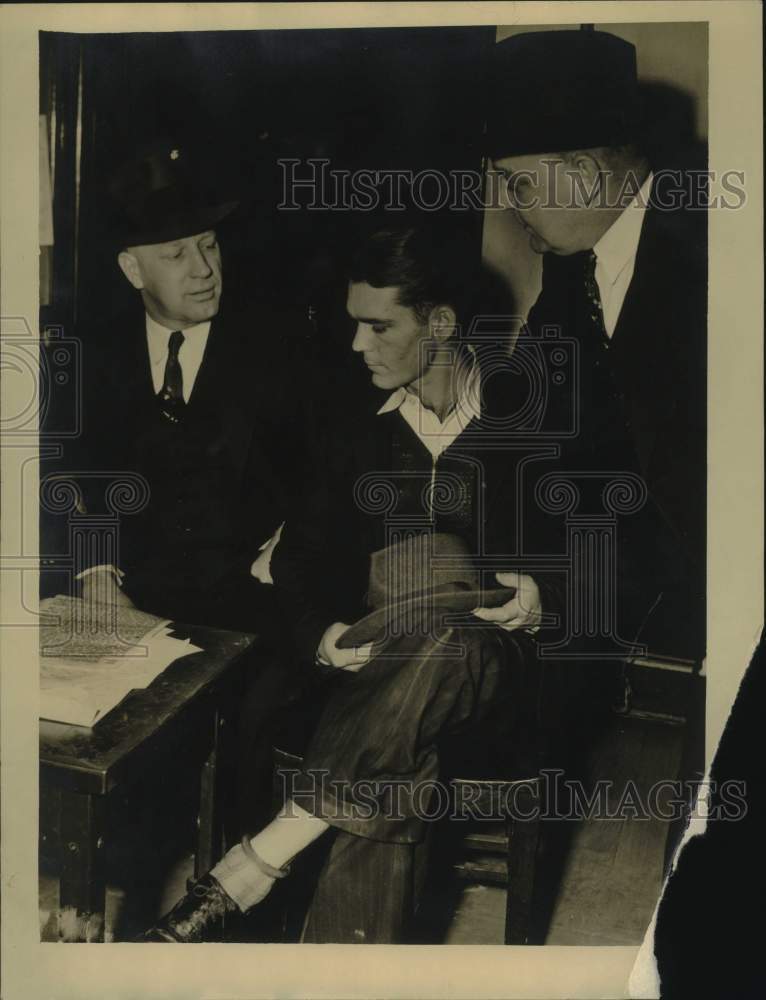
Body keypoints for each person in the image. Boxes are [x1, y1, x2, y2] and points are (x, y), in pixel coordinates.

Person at [143, 219, 569, 944]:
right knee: (395, 768)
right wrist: (322, 635)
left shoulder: (529, 421)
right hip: (376, 670)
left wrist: (543, 594)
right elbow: (301, 559)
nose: (356, 345)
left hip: (495, 673)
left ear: (440, 323)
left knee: (448, 616)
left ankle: (262, 856)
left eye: (377, 327)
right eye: (353, 325)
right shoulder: (353, 428)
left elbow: (593, 555)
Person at [486, 28, 706, 662]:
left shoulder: (717, 256)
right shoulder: (571, 263)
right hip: (614, 584)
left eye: (517, 184)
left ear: (581, 177)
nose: (508, 204)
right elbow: (516, 415)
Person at [68, 139, 315, 634]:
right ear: (132, 269)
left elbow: (330, 472)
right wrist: (96, 576)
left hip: (252, 609)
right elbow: (72, 476)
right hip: (125, 601)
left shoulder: (286, 349)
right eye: (176, 253)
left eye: (209, 245)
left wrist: (285, 551)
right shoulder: (91, 356)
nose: (203, 269)